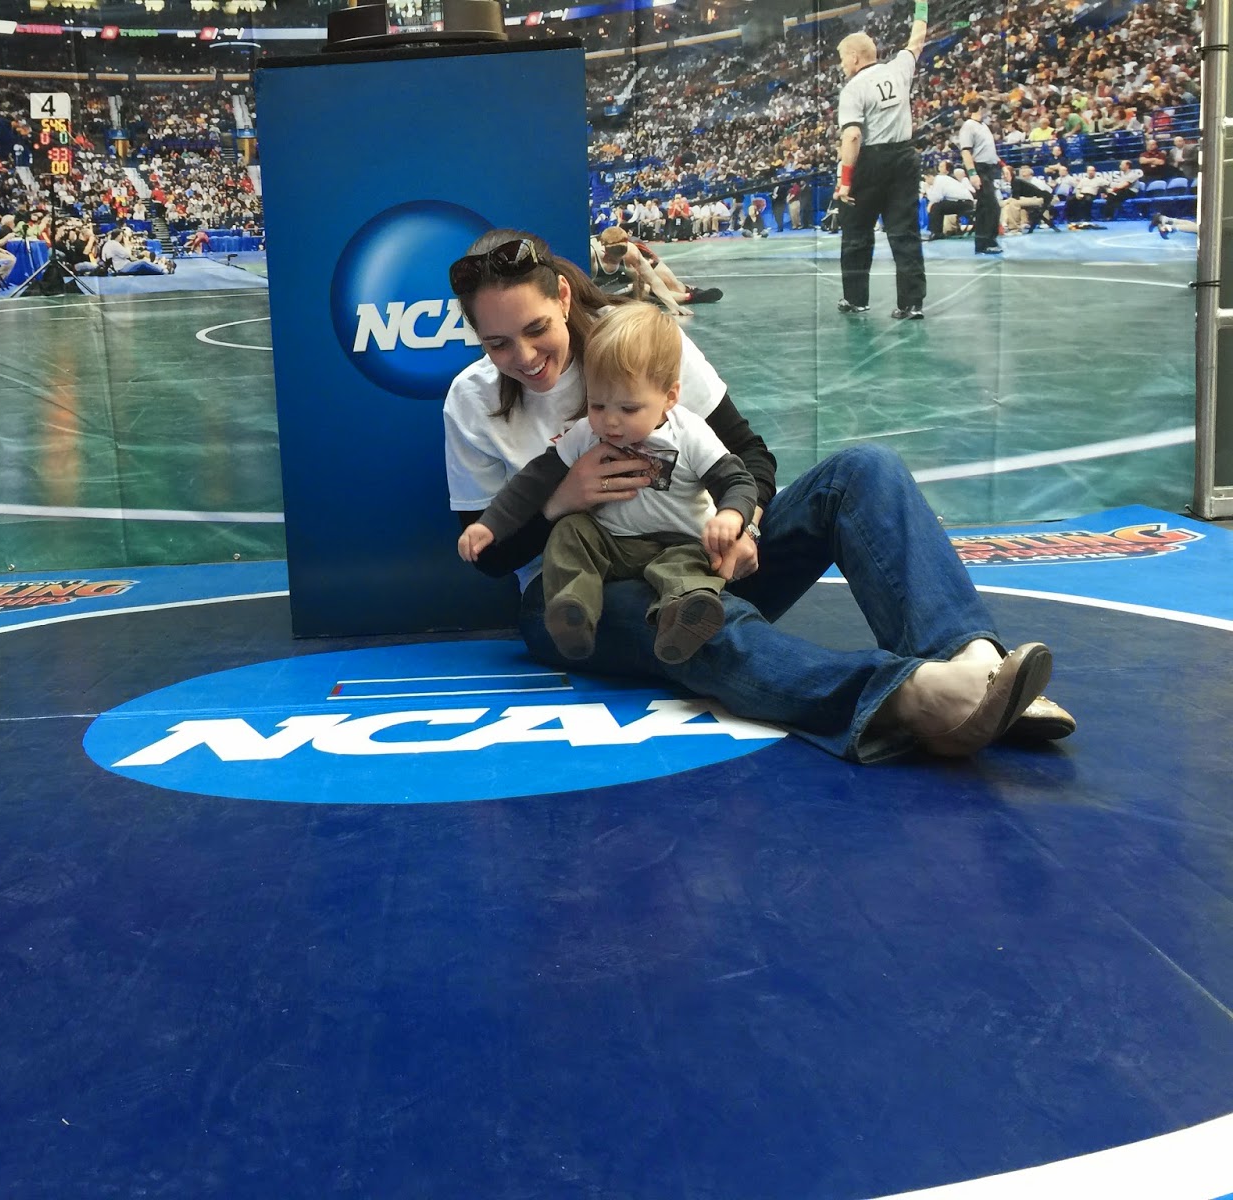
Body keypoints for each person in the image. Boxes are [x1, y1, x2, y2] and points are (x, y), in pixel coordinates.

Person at [442, 229, 1074, 762]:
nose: (524, 356)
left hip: (704, 559)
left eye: (536, 329)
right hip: (580, 599)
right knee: (686, 621)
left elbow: (749, 456)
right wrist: (563, 501)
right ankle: (914, 697)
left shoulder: (638, 341)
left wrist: (741, 523)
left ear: (561, 295)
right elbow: (491, 557)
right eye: (497, 343)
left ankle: (977, 667)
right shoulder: (471, 402)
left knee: (864, 470)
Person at [457, 303, 757, 665]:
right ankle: (572, 610)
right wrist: (489, 524)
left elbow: (737, 479)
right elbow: (531, 482)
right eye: (598, 405)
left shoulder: (689, 433)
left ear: (670, 397)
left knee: (685, 569)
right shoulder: (586, 433)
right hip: (612, 546)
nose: (610, 422)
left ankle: (682, 617)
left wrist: (732, 516)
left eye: (629, 409)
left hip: (678, 543)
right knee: (570, 529)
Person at [832, 5, 930, 319]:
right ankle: (911, 304)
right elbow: (917, 39)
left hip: (871, 162)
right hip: (904, 157)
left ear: (854, 57)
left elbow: (852, 137)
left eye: (842, 58)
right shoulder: (899, 68)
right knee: (904, 232)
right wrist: (922, 5)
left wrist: (845, 180)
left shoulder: (853, 89)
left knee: (856, 232)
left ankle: (856, 299)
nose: (841, 64)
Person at [957, 98, 1004, 255]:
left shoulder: (983, 126)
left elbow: (990, 151)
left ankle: (981, 243)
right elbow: (966, 151)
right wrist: (972, 173)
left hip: (989, 168)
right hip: (979, 168)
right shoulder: (968, 126)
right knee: (992, 206)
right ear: (980, 108)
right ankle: (989, 241)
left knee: (984, 207)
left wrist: (1003, 166)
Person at [923, 166, 976, 240]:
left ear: (929, 176)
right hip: (963, 202)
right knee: (937, 206)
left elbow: (936, 198)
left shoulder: (939, 180)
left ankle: (936, 233)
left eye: (926, 179)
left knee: (936, 207)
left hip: (964, 203)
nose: (926, 181)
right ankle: (936, 232)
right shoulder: (941, 179)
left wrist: (927, 188)